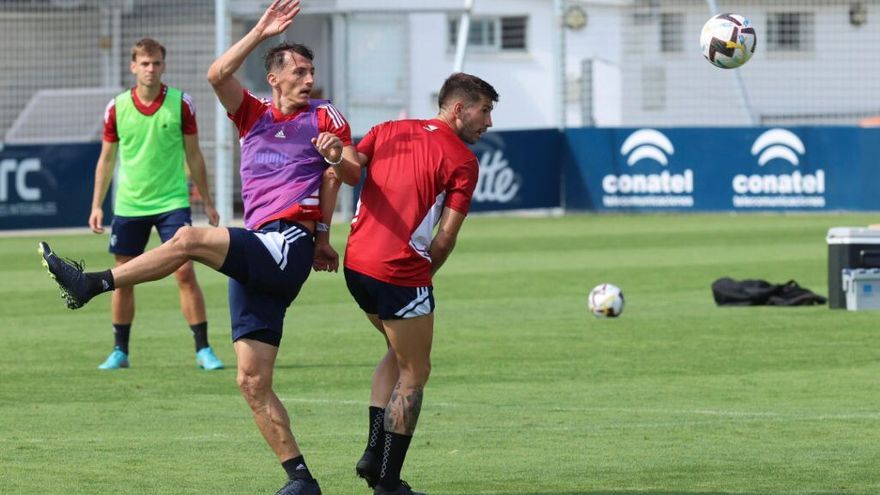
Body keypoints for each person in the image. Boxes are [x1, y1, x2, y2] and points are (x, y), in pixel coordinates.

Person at [38, 1, 359, 494]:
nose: (308, 77)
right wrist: (260, 30)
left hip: (286, 242)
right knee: (251, 382)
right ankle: (301, 480)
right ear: (273, 78)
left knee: (186, 240)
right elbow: (217, 73)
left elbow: (353, 170)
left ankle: (91, 283)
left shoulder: (324, 116)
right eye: (298, 70)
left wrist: (336, 162)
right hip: (260, 245)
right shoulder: (252, 113)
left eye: (311, 70)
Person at [345, 72, 498, 495]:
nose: (488, 122)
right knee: (416, 370)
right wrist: (421, 280)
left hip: (356, 266)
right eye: (484, 111)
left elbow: (347, 169)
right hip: (400, 273)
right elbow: (445, 238)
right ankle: (389, 483)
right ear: (458, 109)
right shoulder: (463, 161)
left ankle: (374, 453)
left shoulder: (386, 129)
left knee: (397, 352)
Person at [89, 37, 224, 371]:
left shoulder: (181, 104)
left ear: (164, 66)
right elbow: (106, 160)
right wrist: (97, 205)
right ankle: (120, 351)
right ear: (133, 67)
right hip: (130, 204)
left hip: (172, 202)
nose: (151, 69)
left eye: (156, 63)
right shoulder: (116, 107)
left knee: (185, 272)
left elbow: (194, 155)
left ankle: (203, 349)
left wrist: (207, 201)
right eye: (144, 64)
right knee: (122, 277)